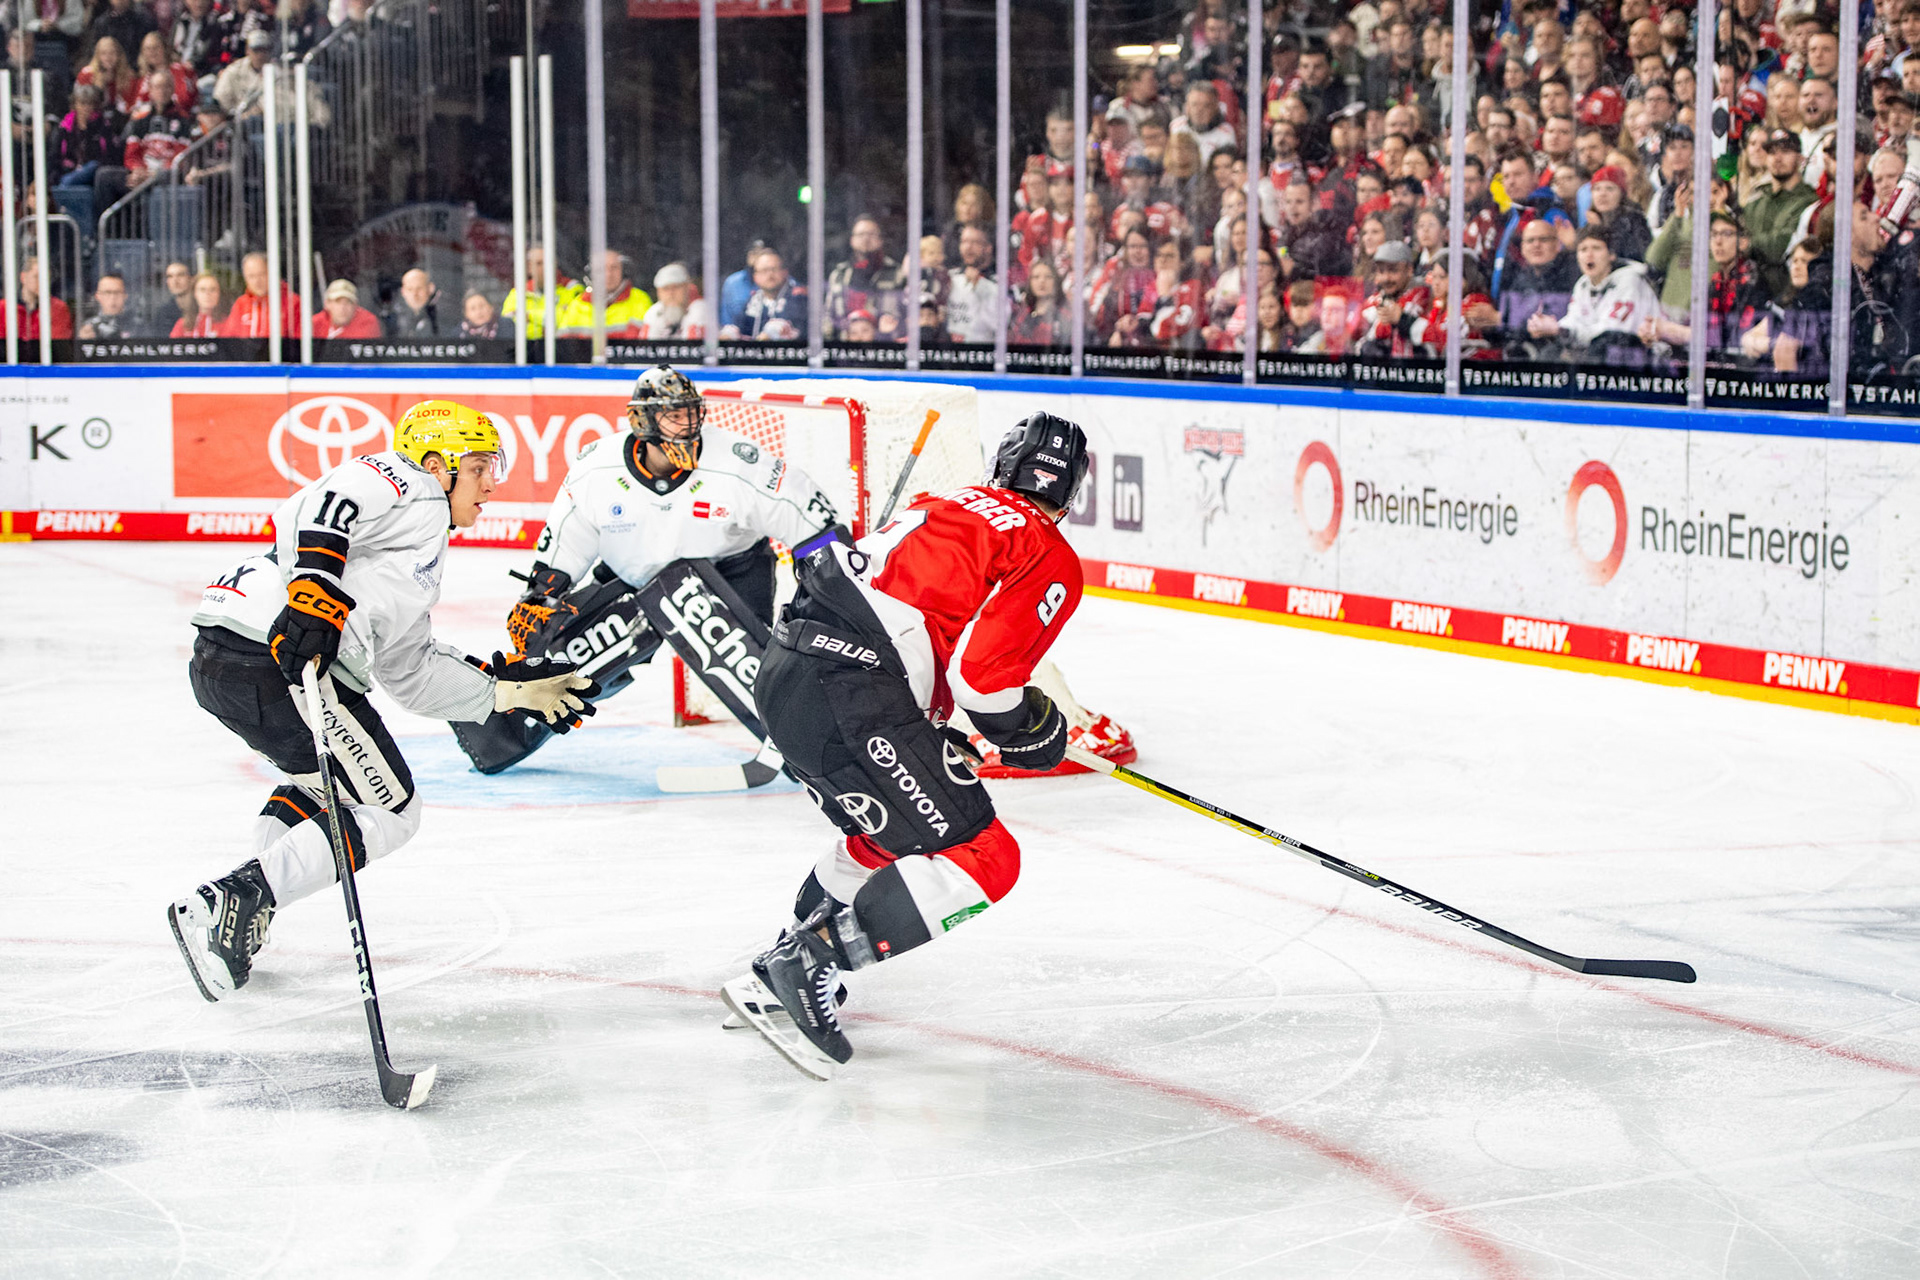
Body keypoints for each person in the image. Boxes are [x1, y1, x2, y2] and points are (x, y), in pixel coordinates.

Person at [168, 401, 599, 1000]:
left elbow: (409, 671)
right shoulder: (411, 488)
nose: (491, 485)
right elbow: (316, 504)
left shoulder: (412, 553)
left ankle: (248, 910)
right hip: (277, 660)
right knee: (394, 812)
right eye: (477, 468)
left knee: (316, 786)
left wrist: (503, 691)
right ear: (436, 464)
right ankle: (235, 899)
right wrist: (314, 590)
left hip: (225, 658)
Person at [720, 412, 1091, 1078]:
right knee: (987, 854)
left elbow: (919, 632)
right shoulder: (1046, 549)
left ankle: (781, 968)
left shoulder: (944, 502)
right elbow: (984, 682)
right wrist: (1032, 731)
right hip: (852, 689)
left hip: (786, 674)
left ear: (1001, 468)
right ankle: (808, 962)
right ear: (1069, 494)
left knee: (892, 832)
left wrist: (934, 730)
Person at [452, 366, 841, 774]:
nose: (688, 426)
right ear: (642, 421)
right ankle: (499, 734)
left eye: (692, 414)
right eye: (675, 416)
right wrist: (541, 598)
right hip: (633, 584)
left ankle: (816, 750)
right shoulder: (597, 469)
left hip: (730, 580)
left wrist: (832, 585)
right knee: (558, 663)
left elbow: (811, 523)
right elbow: (565, 545)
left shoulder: (739, 462)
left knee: (762, 676)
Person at [1530, 226, 1658, 359]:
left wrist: (1564, 331)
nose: (1589, 255)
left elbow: (1612, 332)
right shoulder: (1583, 283)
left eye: (1596, 248)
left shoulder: (1630, 281)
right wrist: (1553, 326)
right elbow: (1574, 319)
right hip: (1596, 350)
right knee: (1549, 353)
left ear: (1611, 255)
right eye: (1583, 249)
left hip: (1639, 356)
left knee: (1602, 345)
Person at [823, 216, 905, 341]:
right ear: (852, 240)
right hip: (845, 348)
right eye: (861, 234)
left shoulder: (897, 273)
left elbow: (907, 315)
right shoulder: (839, 274)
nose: (866, 239)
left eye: (871, 234)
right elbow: (828, 316)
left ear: (880, 240)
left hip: (885, 347)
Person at [122, 69, 195, 186]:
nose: (162, 91)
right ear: (150, 90)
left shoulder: (183, 119)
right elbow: (132, 154)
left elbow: (181, 156)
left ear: (172, 89)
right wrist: (137, 170)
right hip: (141, 173)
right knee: (105, 175)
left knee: (168, 175)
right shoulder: (140, 118)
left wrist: (155, 174)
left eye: (166, 87)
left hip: (167, 174)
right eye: (157, 87)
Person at [557, 250, 653, 339]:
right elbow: (563, 347)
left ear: (623, 271)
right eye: (602, 268)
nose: (608, 274)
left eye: (614, 267)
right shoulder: (578, 304)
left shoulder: (640, 300)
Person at [723, 249, 806, 342]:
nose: (770, 275)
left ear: (785, 272)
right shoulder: (753, 301)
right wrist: (729, 334)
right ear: (755, 276)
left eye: (774, 269)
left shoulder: (799, 298)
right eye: (764, 270)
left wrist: (771, 334)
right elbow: (739, 327)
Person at [501, 246, 578, 340]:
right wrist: (544, 329)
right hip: (528, 349)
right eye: (539, 263)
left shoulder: (572, 288)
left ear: (555, 264)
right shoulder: (518, 292)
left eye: (548, 262)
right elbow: (508, 324)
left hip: (561, 348)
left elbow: (571, 320)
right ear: (529, 267)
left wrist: (529, 316)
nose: (544, 267)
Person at [220, 251, 301, 338]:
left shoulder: (292, 303)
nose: (257, 281)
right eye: (251, 276)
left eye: (261, 274)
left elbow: (299, 342)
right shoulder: (241, 304)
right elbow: (229, 339)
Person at [945, 222, 997, 344]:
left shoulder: (1000, 281)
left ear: (988, 248)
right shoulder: (949, 277)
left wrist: (979, 285)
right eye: (964, 242)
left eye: (975, 242)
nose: (968, 247)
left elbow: (999, 323)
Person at [640, 262, 712, 340]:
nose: (671, 293)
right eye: (666, 289)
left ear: (687, 288)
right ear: (658, 292)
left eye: (676, 287)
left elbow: (694, 347)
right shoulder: (653, 313)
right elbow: (645, 347)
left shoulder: (701, 310)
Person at [8, 257, 73, 339]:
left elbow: (58, 344)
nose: (42, 282)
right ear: (23, 277)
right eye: (36, 277)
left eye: (46, 278)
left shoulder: (58, 308)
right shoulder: (4, 308)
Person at [311, 278, 381, 338]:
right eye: (337, 302)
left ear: (355, 306)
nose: (342, 308)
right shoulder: (315, 323)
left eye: (348, 302)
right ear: (327, 304)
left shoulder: (367, 323)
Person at [385, 267, 442, 337]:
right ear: (403, 292)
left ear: (430, 288)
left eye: (419, 288)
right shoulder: (391, 319)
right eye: (410, 289)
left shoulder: (443, 315)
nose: (414, 294)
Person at [78, 272, 134, 340]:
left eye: (117, 292)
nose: (112, 297)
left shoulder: (138, 326)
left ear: (125, 296)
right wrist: (84, 341)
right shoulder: (88, 326)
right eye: (107, 292)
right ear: (97, 296)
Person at [172, 271, 226, 336]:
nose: (207, 294)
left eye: (212, 289)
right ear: (195, 294)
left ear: (219, 294)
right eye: (202, 290)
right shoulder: (183, 325)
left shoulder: (228, 323)